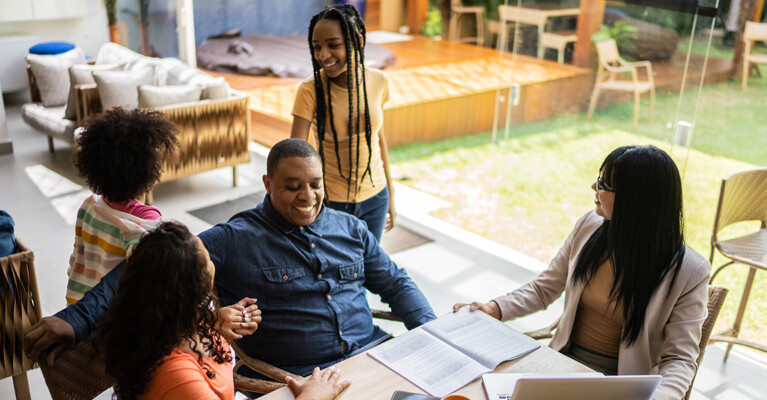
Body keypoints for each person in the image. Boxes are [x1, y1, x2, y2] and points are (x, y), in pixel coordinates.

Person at [25, 138, 435, 379]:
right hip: (304, 379)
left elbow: (396, 282)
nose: (307, 197)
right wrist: (76, 319)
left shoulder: (350, 228)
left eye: (314, 185)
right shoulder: (235, 238)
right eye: (292, 186)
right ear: (267, 183)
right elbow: (148, 267)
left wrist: (433, 331)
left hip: (376, 357)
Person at [454, 145, 710, 400]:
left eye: (603, 184)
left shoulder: (689, 271)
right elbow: (545, 288)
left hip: (620, 385)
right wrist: (493, 309)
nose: (593, 187)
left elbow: (680, 359)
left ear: (634, 200)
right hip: (561, 365)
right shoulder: (590, 226)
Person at [95, 220, 350, 400]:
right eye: (207, 262)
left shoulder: (174, 324)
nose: (213, 263)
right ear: (191, 294)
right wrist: (313, 396)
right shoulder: (176, 375)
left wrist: (217, 325)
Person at [291, 4, 395, 242]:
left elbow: (379, 139)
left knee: (370, 272)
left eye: (333, 45)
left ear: (357, 41)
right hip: (330, 201)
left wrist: (391, 193)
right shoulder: (310, 90)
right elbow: (294, 155)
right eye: (316, 47)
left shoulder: (378, 81)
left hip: (376, 198)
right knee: (336, 274)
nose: (323, 55)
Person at [65, 107, 179, 304]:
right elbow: (148, 287)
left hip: (76, 307)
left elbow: (75, 260)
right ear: (151, 174)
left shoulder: (89, 205)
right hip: (110, 321)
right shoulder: (145, 223)